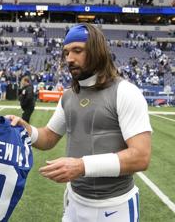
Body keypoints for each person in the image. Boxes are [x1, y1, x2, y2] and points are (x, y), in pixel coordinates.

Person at [8, 23, 152, 222]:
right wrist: (25, 128)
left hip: (115, 207)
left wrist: (81, 166)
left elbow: (140, 157)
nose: (69, 59)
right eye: (66, 52)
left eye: (77, 51)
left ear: (97, 51)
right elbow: (48, 138)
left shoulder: (126, 92)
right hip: (74, 202)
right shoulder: (68, 96)